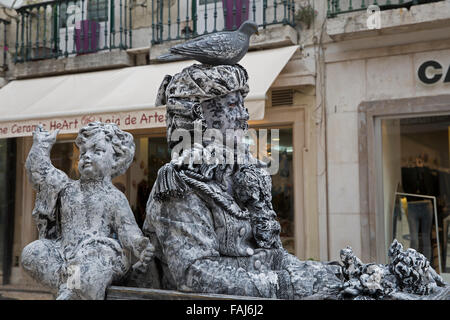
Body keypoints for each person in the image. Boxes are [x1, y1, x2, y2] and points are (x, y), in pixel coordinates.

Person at [143, 64, 343, 299]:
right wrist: (286, 284)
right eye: (232, 105)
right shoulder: (180, 184)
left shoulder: (244, 174)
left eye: (242, 104)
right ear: (199, 114)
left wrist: (322, 273)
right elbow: (194, 275)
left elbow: (273, 254)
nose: (244, 114)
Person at [21, 122, 154, 300]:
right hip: (64, 255)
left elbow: (127, 231)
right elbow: (40, 174)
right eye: (83, 152)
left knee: (90, 269)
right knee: (33, 253)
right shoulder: (66, 188)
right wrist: (41, 146)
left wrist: (140, 245)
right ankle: (70, 287)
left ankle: (71, 289)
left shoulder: (114, 197)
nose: (87, 157)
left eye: (96, 151)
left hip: (96, 254)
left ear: (115, 159)